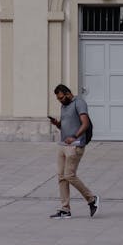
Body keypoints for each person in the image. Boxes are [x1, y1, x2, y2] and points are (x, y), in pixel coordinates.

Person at [47, 83, 100, 219]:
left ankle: (92, 199)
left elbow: (85, 123)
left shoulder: (79, 103)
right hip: (63, 144)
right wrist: (57, 124)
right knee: (61, 177)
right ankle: (65, 209)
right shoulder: (63, 106)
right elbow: (65, 126)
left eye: (61, 98)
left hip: (75, 145)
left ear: (68, 93)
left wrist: (75, 137)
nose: (60, 100)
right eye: (58, 99)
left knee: (69, 175)